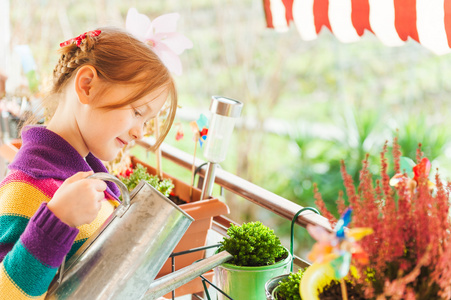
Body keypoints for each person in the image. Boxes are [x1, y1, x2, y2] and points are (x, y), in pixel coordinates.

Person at [0, 27, 177, 299]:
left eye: (145, 121)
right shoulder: (28, 188)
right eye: (137, 112)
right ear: (87, 86)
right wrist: (56, 221)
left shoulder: (84, 176)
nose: (139, 132)